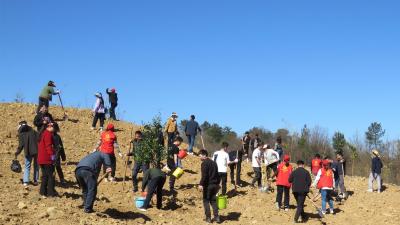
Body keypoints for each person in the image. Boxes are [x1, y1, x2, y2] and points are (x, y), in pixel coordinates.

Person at [15, 121, 39, 189]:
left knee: (27, 166)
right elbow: (39, 139)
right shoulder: (33, 131)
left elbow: (21, 145)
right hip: (37, 151)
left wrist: (17, 153)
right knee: (36, 166)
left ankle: (26, 181)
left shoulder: (21, 133)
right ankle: (36, 180)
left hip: (28, 151)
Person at [199, 149, 221, 224]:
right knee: (213, 201)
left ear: (204, 155)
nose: (199, 157)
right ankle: (217, 217)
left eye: (200, 156)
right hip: (215, 185)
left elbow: (204, 175)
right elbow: (217, 174)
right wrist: (218, 184)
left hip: (208, 185)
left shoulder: (204, 163)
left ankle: (208, 218)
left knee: (206, 201)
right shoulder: (214, 163)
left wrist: (201, 184)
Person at [37, 123, 57, 198]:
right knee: (51, 176)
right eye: (52, 126)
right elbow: (48, 146)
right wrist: (52, 156)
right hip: (47, 159)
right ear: (48, 127)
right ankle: (50, 193)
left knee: (45, 176)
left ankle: (42, 192)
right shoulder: (48, 134)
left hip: (41, 159)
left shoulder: (42, 133)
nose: (54, 128)